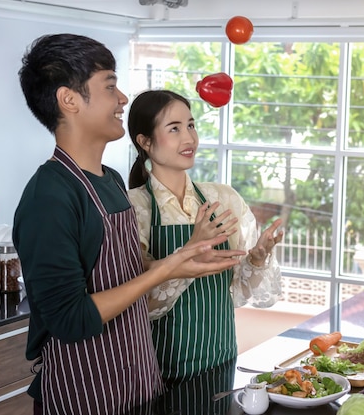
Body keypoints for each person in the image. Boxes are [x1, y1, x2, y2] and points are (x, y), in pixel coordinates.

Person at [13, 34, 244, 415]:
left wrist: (185, 258)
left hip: (137, 382)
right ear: (68, 100)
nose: (122, 99)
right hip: (84, 392)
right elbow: (71, 320)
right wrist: (169, 268)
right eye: (110, 86)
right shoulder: (49, 197)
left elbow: (125, 273)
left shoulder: (112, 180)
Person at [127, 89, 284, 382]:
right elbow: (138, 303)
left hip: (222, 360)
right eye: (174, 128)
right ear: (145, 141)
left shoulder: (222, 199)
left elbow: (239, 290)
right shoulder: (133, 207)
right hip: (161, 373)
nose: (189, 138)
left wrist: (258, 259)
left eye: (191, 125)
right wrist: (191, 249)